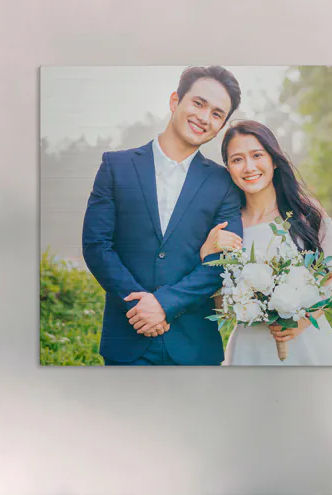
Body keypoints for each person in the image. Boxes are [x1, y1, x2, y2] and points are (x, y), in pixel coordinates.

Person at [82, 66, 243, 366]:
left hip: (195, 347)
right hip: (127, 337)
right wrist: (143, 306)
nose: (205, 117)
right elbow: (97, 246)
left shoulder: (225, 184)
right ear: (174, 101)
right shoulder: (116, 166)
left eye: (218, 114)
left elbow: (224, 261)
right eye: (199, 103)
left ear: (221, 125)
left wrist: (165, 304)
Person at [200, 120, 332, 366]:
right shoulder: (225, 228)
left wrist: (305, 318)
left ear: (273, 159)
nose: (249, 167)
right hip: (249, 351)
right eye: (237, 159)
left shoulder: (308, 215)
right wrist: (207, 254)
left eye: (257, 155)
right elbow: (217, 302)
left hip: (308, 343)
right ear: (228, 168)